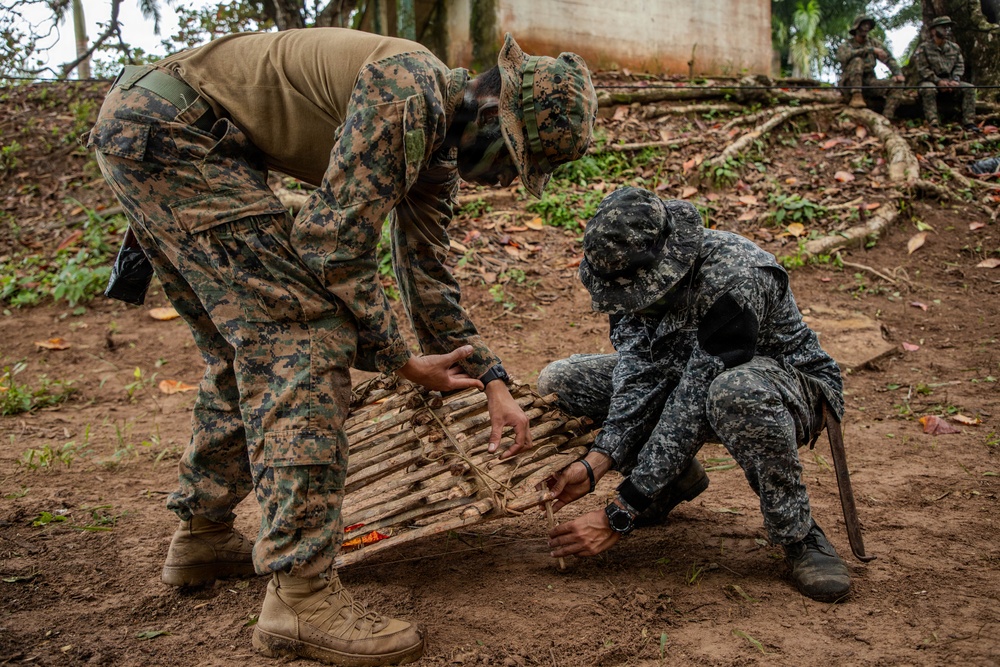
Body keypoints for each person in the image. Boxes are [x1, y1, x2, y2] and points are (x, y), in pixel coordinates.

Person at [87, 27, 596, 666]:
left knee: (248, 344)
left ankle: (203, 533)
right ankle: (301, 597)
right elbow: (332, 247)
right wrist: (400, 360)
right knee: (304, 340)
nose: (501, 180)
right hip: (175, 134)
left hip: (165, 130)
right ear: (493, 113)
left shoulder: (435, 146)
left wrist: (491, 380)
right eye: (510, 160)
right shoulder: (409, 90)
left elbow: (427, 275)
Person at [538, 186, 851, 603]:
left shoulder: (735, 277)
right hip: (687, 377)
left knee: (733, 391)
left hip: (785, 387)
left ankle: (799, 533)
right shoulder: (622, 271)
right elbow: (639, 372)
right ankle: (669, 484)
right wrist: (598, 461)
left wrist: (619, 513)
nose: (630, 305)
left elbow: (691, 405)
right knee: (562, 381)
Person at [913, 16, 978, 130]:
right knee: (929, 89)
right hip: (930, 81)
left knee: (969, 88)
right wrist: (938, 81)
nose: (946, 30)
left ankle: (969, 122)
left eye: (948, 27)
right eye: (943, 27)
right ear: (933, 30)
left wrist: (955, 80)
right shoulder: (924, 48)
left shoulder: (954, 47)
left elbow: (959, 65)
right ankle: (933, 122)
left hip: (950, 81)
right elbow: (922, 69)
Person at [836, 14, 905, 118]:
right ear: (857, 27)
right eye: (863, 25)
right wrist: (869, 50)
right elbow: (843, 57)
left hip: (869, 81)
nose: (866, 28)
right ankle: (857, 95)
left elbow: (887, 57)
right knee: (857, 60)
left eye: (868, 25)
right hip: (850, 84)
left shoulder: (873, 43)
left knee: (897, 85)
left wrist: (897, 73)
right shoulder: (847, 44)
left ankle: (887, 118)